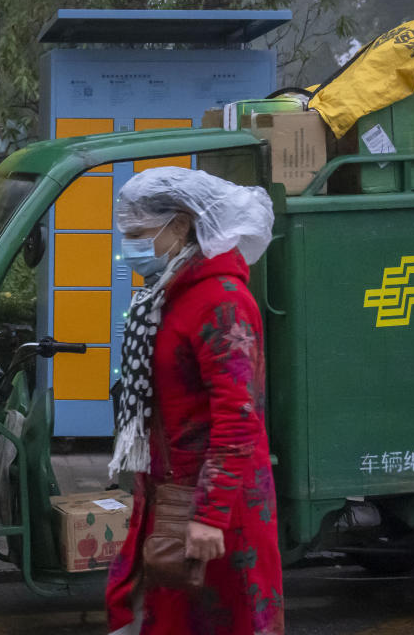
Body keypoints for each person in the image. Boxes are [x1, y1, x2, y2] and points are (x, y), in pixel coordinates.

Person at [106, 167, 283, 635]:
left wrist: (208, 516)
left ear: (181, 226)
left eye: (139, 234)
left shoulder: (220, 301)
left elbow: (238, 419)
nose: (130, 249)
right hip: (171, 499)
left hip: (217, 513)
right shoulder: (168, 294)